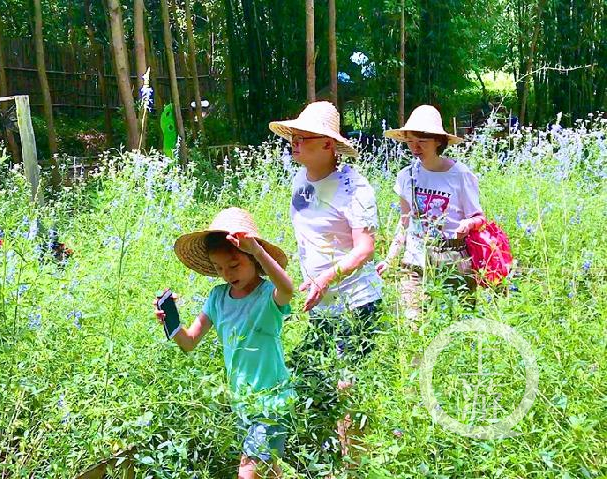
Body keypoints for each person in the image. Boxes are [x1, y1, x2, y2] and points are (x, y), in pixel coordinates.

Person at [269, 101, 383, 462]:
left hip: (356, 304)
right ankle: (323, 456)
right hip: (321, 305)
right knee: (310, 379)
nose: (295, 142)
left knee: (346, 388)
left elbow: (365, 248)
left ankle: (353, 463)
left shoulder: (354, 187)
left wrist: (326, 278)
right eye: (294, 136)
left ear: (328, 145)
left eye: (305, 137)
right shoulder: (300, 178)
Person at [154, 207, 295, 479]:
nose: (227, 273)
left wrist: (257, 251)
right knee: (269, 470)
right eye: (219, 268)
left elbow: (287, 288)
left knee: (248, 472)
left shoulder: (268, 295)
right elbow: (189, 342)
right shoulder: (218, 297)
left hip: (271, 401)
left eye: (234, 265)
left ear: (254, 260)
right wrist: (170, 323)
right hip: (242, 401)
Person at [377, 104, 486, 322]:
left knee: (455, 323)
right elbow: (405, 222)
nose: (415, 148)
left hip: (451, 259)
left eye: (422, 142)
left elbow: (479, 217)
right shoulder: (406, 176)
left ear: (438, 141)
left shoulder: (460, 175)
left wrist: (467, 224)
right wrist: (390, 259)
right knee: (413, 325)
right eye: (410, 142)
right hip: (414, 259)